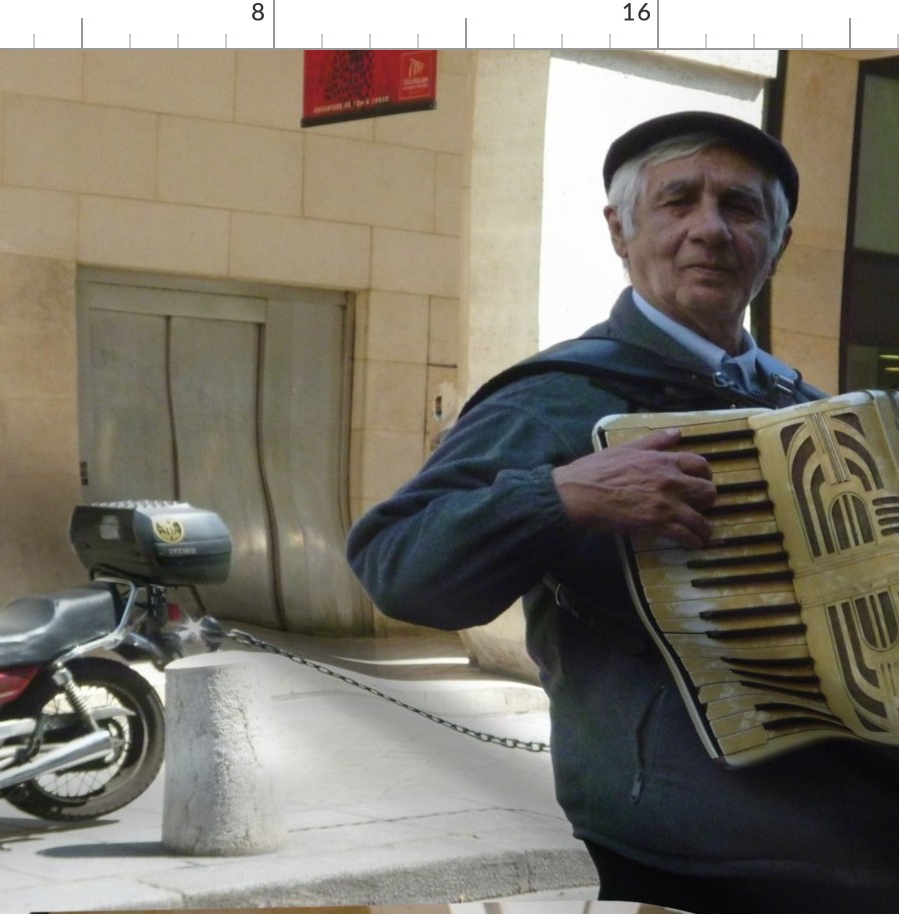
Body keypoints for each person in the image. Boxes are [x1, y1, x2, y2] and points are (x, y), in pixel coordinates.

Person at [346, 112, 899, 914]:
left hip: (860, 843)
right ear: (621, 229)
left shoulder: (810, 410)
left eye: (741, 208)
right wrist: (562, 496)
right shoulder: (556, 399)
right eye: (679, 200)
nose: (709, 228)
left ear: (775, 242)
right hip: (689, 859)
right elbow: (398, 568)